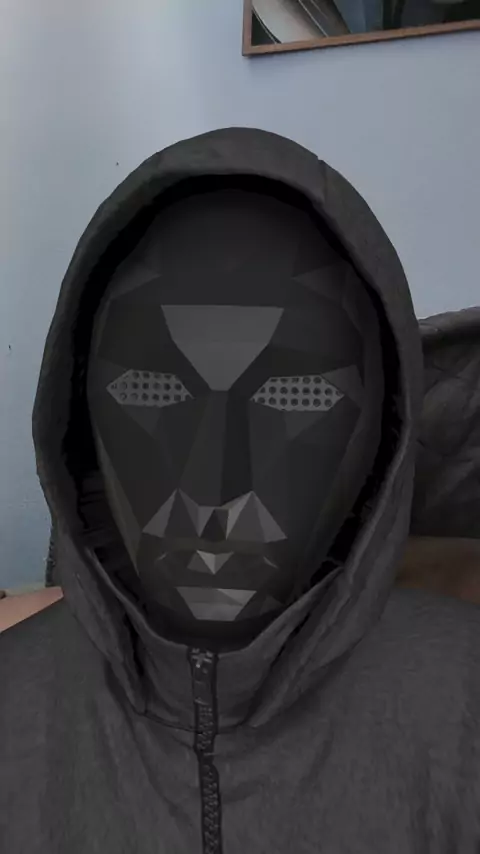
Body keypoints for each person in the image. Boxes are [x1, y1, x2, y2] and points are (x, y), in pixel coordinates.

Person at [1, 127, 480, 853]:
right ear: (79, 422)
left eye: (292, 395)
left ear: (383, 432)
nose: (214, 489)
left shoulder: (465, 705)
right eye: (154, 388)